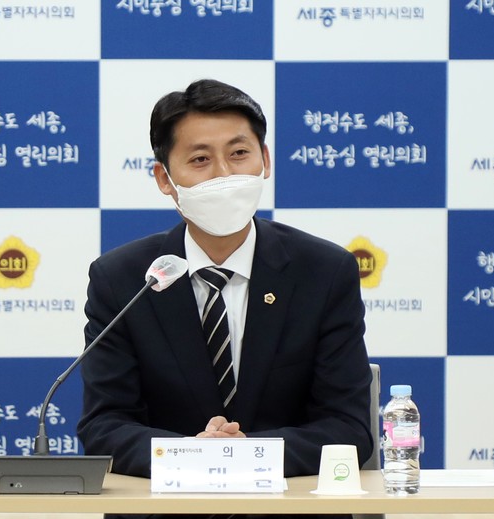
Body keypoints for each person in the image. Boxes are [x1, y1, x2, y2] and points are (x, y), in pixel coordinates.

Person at [77, 79, 373, 485]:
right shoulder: (123, 279)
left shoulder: (324, 271)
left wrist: (246, 454)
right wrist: (191, 456)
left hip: (289, 507)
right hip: (165, 509)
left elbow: (349, 428)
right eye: (200, 159)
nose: (223, 174)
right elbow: (104, 426)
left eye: (238, 154)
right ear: (164, 178)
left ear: (265, 160)